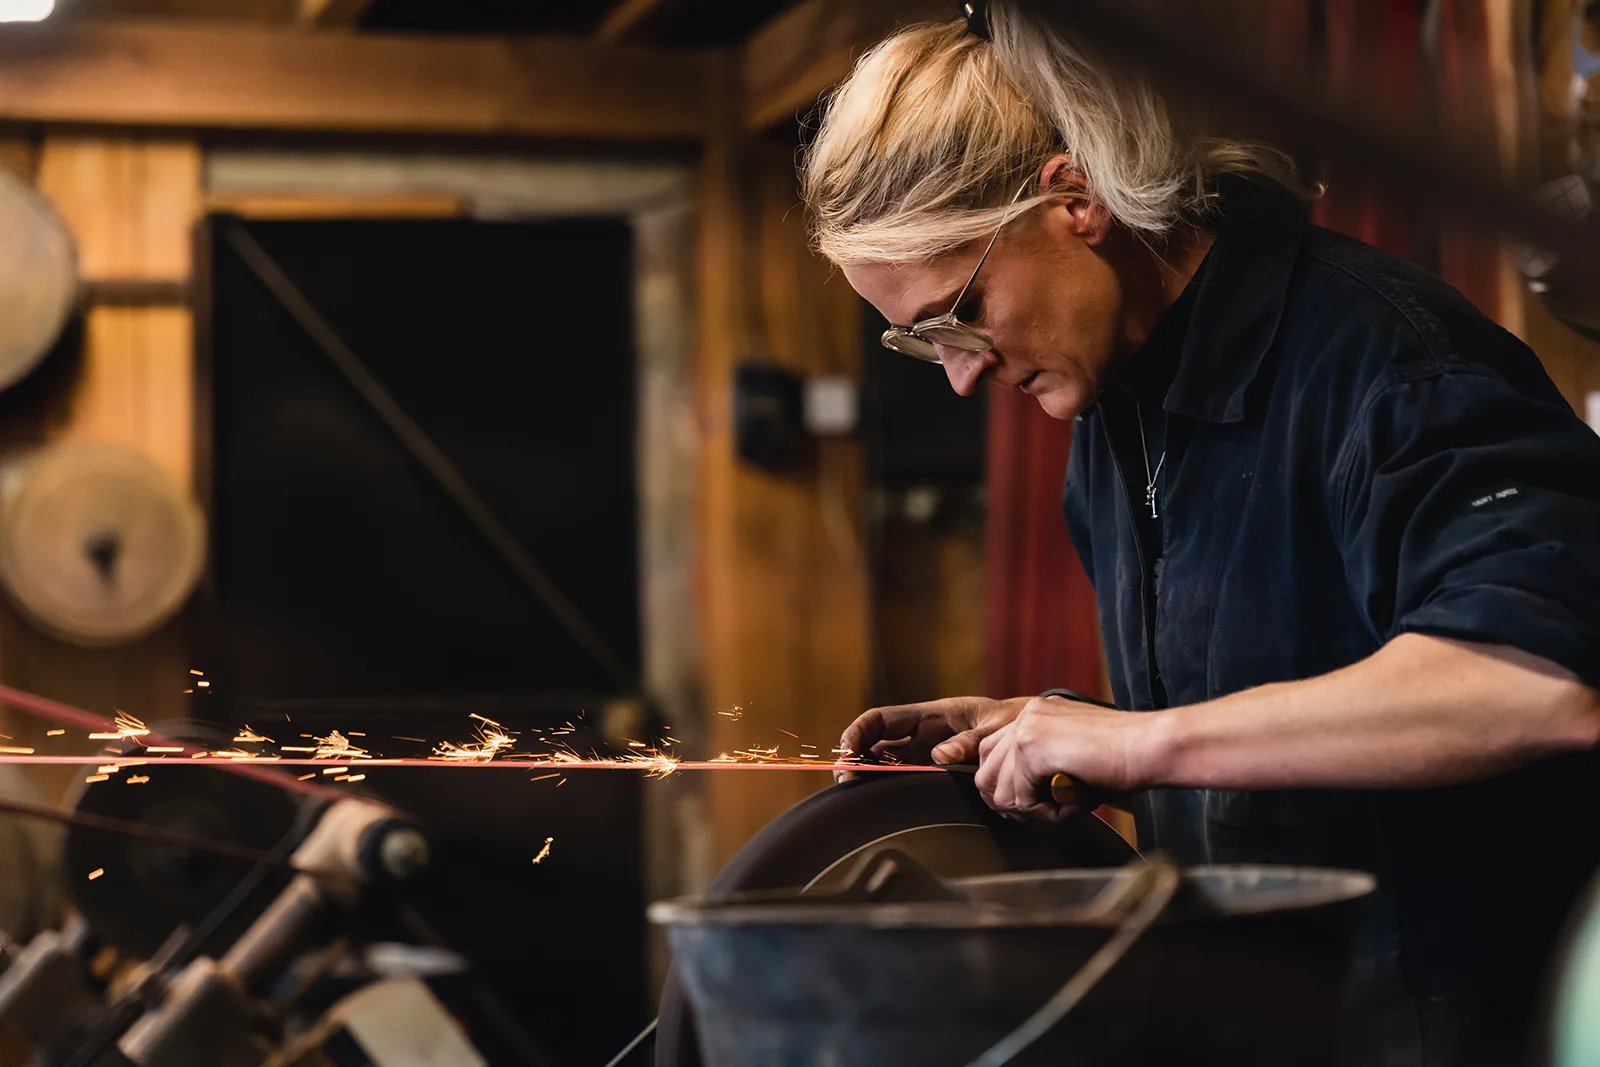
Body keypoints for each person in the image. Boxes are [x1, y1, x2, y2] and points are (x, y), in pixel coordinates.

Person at [809, 4, 1600, 1065]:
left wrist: (1141, 741)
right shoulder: (1119, 421)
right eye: (920, 341)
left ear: (1073, 198)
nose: (958, 372)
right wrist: (1063, 734)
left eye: (961, 309)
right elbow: (1289, 709)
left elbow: (1538, 684)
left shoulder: (1390, 365)